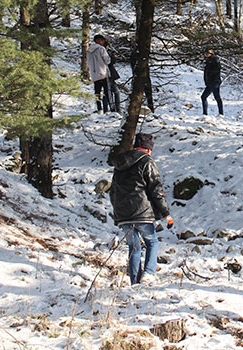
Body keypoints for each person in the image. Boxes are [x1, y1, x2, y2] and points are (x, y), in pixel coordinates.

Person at [110, 133, 174, 285]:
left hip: (123, 214)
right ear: (148, 149)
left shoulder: (120, 165)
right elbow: (156, 189)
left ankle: (135, 282)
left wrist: (117, 212)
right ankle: (149, 273)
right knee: (152, 242)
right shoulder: (147, 162)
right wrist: (166, 214)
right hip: (142, 212)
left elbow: (113, 191)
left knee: (134, 247)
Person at [87, 34, 111, 113]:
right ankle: (108, 108)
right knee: (107, 92)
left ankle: (99, 109)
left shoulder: (89, 50)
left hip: (94, 74)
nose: (103, 42)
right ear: (98, 40)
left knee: (97, 93)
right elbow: (107, 60)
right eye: (102, 40)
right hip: (103, 73)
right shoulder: (101, 49)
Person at [201, 48, 224, 116]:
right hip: (210, 82)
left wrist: (211, 76)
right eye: (205, 52)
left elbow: (217, 69)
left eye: (208, 52)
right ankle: (205, 114)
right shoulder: (208, 61)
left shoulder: (214, 60)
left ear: (211, 53)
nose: (206, 54)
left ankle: (221, 113)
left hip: (214, 82)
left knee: (217, 97)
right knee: (203, 97)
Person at [105, 41, 121, 113]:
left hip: (109, 75)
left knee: (111, 92)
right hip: (107, 75)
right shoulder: (104, 53)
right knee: (111, 92)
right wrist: (113, 57)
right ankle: (113, 109)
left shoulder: (107, 52)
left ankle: (114, 109)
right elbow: (110, 62)